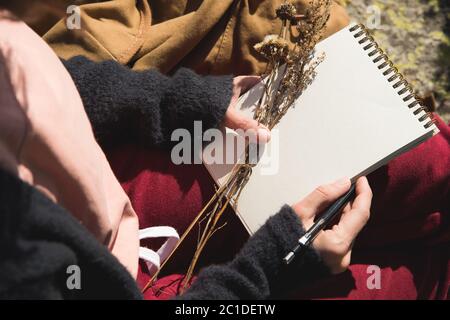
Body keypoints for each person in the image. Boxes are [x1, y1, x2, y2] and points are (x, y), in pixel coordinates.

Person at [0, 1, 373, 299]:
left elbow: (55, 79)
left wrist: (174, 100)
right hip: (126, 274)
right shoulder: (22, 266)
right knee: (400, 274)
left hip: (96, 183)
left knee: (418, 162)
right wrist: (272, 270)